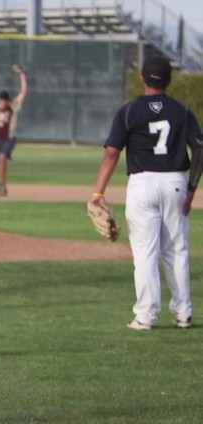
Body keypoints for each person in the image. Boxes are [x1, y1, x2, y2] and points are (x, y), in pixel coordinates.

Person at [90, 55, 203, 331]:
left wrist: (98, 192)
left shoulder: (128, 111)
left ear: (142, 79)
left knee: (145, 254)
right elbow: (200, 148)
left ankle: (146, 316)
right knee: (176, 250)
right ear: (169, 80)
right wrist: (191, 189)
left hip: (142, 185)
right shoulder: (182, 111)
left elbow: (113, 152)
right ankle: (183, 314)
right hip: (176, 182)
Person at [0, 66, 29, 197]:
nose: (3, 102)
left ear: (8, 100)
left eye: (5, 100)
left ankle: (2, 186)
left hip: (10, 137)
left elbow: (24, 92)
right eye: (1, 100)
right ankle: (1, 183)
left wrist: (23, 76)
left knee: (2, 158)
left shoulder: (13, 107)